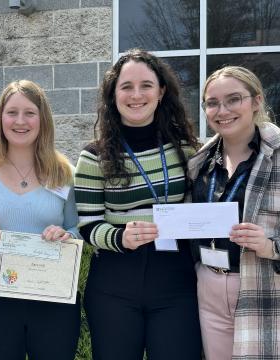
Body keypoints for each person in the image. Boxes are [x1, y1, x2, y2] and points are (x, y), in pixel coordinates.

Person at [74, 48, 202, 360]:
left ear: (161, 91)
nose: (136, 95)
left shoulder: (186, 150)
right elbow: (87, 226)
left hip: (177, 280)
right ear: (113, 94)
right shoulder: (94, 156)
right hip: (114, 283)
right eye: (126, 86)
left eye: (146, 85)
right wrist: (119, 237)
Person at [0, 79, 81, 360]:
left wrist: (67, 236)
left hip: (53, 299)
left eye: (30, 113)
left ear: (43, 119)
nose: (20, 121)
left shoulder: (64, 173)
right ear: (0, 118)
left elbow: (77, 228)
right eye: (12, 112)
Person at [189, 66, 280, 360]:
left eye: (233, 99)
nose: (222, 110)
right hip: (208, 285)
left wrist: (271, 245)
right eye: (212, 103)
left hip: (262, 284)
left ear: (256, 101)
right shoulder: (200, 162)